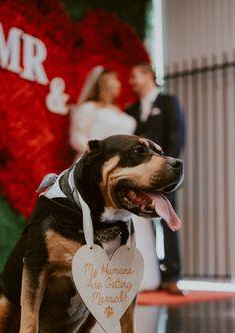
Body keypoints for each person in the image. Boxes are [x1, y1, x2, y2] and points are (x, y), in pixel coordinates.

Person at [70, 66, 160, 291]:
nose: (121, 85)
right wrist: (102, 157)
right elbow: (76, 138)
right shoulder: (88, 109)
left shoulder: (125, 115)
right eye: (116, 80)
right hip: (95, 169)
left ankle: (131, 274)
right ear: (104, 84)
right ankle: (91, 273)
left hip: (124, 174)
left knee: (129, 219)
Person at [126, 62, 185, 294]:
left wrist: (165, 173)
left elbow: (176, 139)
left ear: (148, 75)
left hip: (162, 175)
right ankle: (152, 273)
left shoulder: (168, 103)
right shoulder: (130, 110)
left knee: (168, 221)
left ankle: (172, 276)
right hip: (138, 178)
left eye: (134, 76)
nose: (131, 81)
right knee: (142, 222)